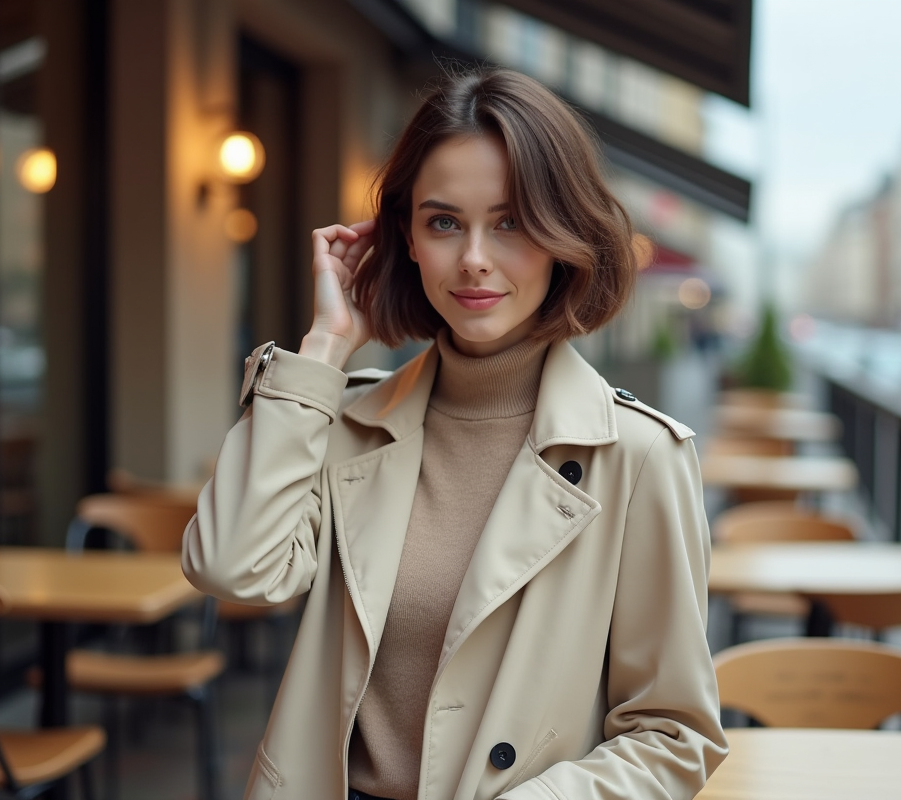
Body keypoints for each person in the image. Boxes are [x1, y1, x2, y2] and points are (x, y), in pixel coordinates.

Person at [183, 66, 727, 800]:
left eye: (509, 222)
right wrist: (324, 350)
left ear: (563, 236)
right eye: (444, 222)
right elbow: (232, 567)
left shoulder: (636, 457)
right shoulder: (345, 421)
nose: (473, 256)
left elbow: (673, 734)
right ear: (405, 237)